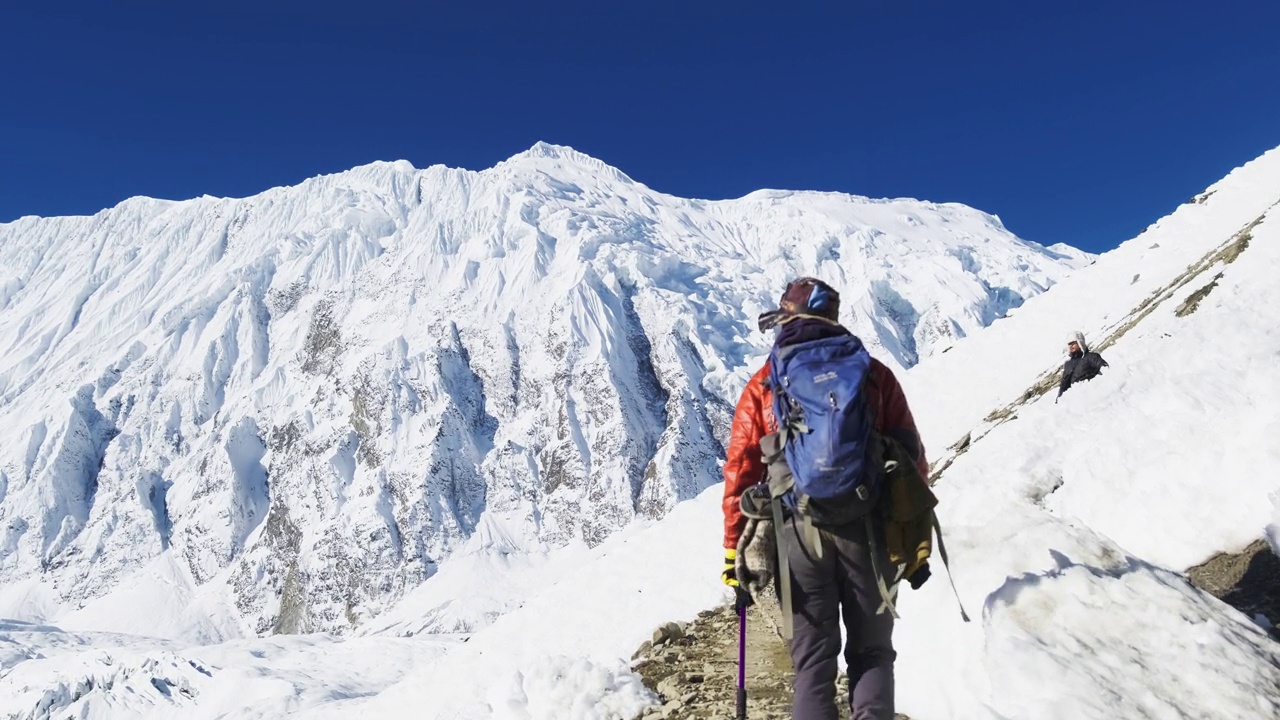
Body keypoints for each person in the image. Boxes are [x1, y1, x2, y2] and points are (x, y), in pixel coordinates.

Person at [721, 277, 928, 720]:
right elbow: (911, 456)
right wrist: (911, 534)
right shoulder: (872, 373)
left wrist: (732, 550)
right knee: (872, 652)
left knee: (813, 661)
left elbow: (740, 468)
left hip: (795, 529)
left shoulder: (765, 383)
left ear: (786, 317)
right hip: (868, 526)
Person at [1057, 331, 1108, 400]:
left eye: (1073, 343)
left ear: (1080, 342)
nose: (1071, 346)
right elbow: (1063, 385)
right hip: (1073, 399)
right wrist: (1058, 399)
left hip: (1090, 396)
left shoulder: (1091, 357)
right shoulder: (1068, 364)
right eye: (1069, 344)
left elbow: (1105, 368)